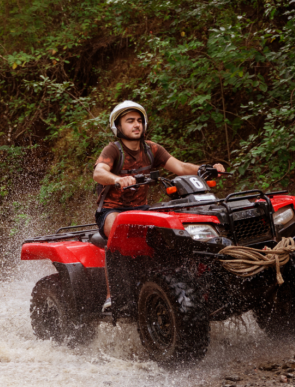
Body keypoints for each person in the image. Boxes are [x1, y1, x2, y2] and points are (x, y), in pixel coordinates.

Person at [93, 100, 225, 310]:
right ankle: (112, 295)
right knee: (119, 226)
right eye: (130, 121)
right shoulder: (113, 150)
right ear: (118, 127)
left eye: (139, 121)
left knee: (173, 227)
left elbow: (180, 167)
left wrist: (205, 169)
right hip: (112, 210)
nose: (136, 125)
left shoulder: (152, 149)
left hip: (142, 210)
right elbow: (98, 172)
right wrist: (117, 179)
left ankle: (182, 282)